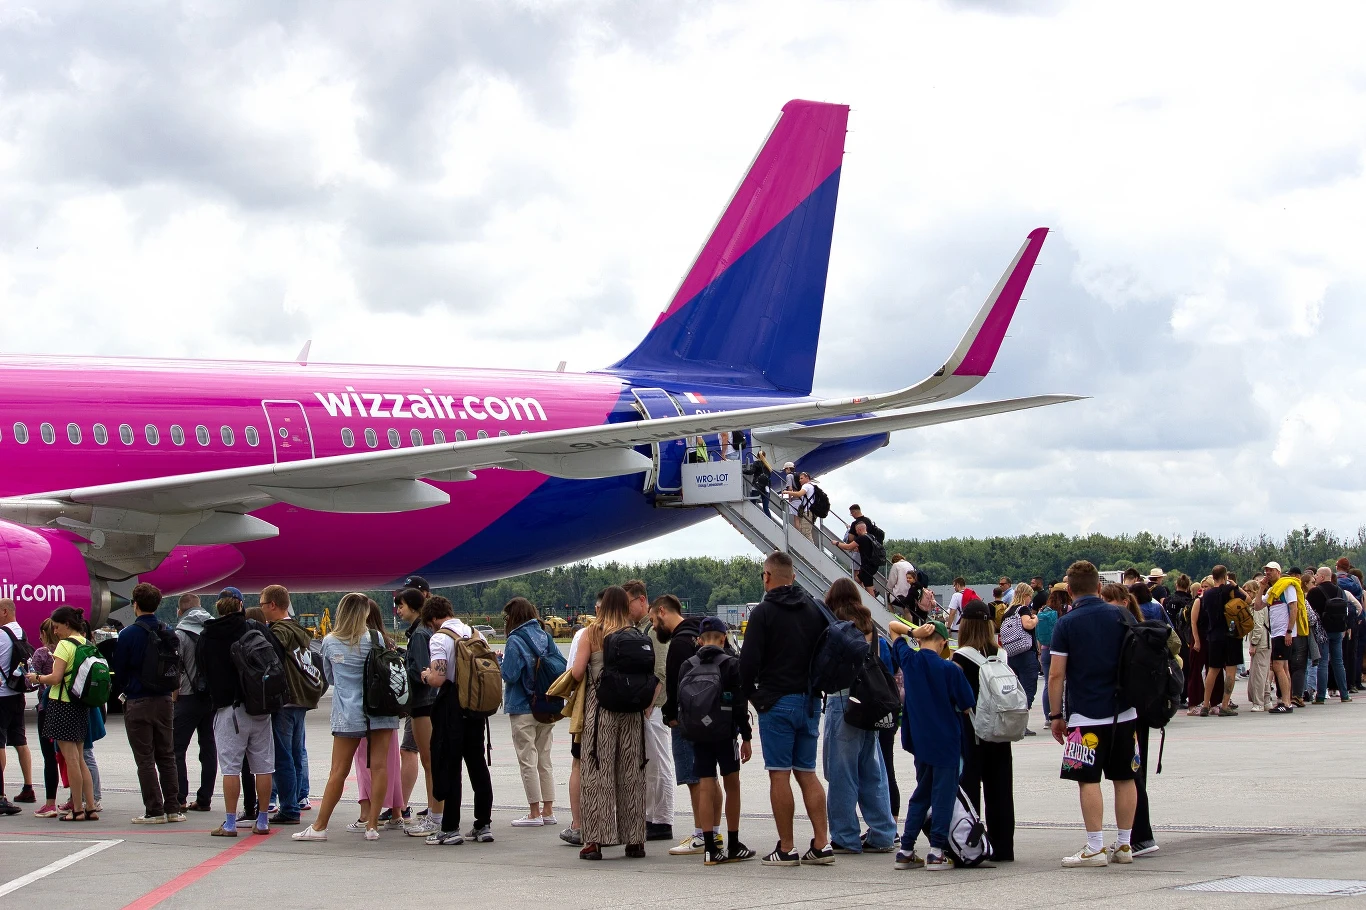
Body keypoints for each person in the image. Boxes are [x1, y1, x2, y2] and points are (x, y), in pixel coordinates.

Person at [738, 551, 833, 867]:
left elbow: (747, 664)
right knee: (807, 772)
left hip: (777, 701)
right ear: (793, 577)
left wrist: (754, 697)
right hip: (810, 701)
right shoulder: (814, 609)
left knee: (779, 774)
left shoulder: (764, 612)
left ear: (766, 576)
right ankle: (821, 844)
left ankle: (787, 847)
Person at [1046, 560, 1139, 868]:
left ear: (1070, 591)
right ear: (1099, 587)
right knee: (1125, 777)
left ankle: (1095, 846)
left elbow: (1056, 674)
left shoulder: (1066, 623)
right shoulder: (1122, 615)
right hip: (1124, 712)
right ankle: (1124, 844)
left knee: (1088, 780)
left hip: (1085, 715)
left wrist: (1055, 714)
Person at [292, 593, 400, 842]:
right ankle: (372, 825)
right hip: (380, 709)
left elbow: (330, 677)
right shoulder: (377, 638)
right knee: (380, 767)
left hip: (348, 712)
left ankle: (320, 826)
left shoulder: (330, 641)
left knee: (338, 771)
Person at [886, 617, 974, 872]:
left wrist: (913, 630)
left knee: (921, 795)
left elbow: (892, 627)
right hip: (946, 740)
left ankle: (906, 850)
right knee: (943, 796)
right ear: (943, 642)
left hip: (919, 741)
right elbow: (966, 705)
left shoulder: (909, 661)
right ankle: (936, 851)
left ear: (921, 639)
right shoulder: (950, 669)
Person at [572, 585, 650, 860]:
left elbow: (577, 672)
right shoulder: (635, 633)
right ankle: (635, 840)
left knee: (598, 772)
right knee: (631, 773)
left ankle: (596, 840)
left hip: (601, 710)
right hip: (632, 711)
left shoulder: (592, 632)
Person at [821, 578, 898, 855]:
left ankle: (845, 836)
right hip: (869, 703)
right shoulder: (870, 625)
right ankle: (883, 833)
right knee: (872, 771)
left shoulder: (835, 625)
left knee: (841, 773)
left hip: (843, 701)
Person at [677, 616, 755, 864]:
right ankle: (734, 843)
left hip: (699, 734)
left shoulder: (687, 665)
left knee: (706, 785)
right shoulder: (730, 664)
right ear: (723, 639)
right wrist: (746, 736)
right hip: (725, 732)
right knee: (732, 784)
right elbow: (740, 704)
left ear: (700, 640)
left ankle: (709, 847)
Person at [197, 588, 275, 837]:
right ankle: (262, 820)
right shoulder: (255, 629)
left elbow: (201, 670)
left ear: (218, 607)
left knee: (230, 768)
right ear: (241, 605)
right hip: (259, 705)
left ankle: (230, 822)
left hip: (228, 708)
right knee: (263, 766)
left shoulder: (208, 635)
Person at [421, 595, 494, 845]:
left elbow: (439, 678)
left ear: (433, 619)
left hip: (452, 705)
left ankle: (450, 828)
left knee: (449, 765)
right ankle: (483, 824)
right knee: (477, 764)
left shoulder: (440, 638)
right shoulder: (476, 634)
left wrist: (426, 675)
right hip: (475, 705)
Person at [110, 583, 183, 824]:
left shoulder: (128, 634)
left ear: (135, 605)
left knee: (145, 759)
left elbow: (119, 669)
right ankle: (173, 808)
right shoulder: (167, 630)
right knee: (167, 755)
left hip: (138, 699)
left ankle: (154, 810)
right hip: (165, 699)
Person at [953, 600, 1016, 861]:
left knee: (969, 789)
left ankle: (972, 846)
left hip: (972, 731)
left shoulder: (960, 657)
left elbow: (956, 698)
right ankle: (1003, 847)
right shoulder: (1001, 654)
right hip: (1000, 729)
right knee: (1001, 789)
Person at [657, 594, 716, 856]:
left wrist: (670, 715)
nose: (654, 626)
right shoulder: (700, 633)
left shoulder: (679, 643)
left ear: (662, 611)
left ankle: (701, 834)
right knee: (710, 776)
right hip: (711, 717)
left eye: (653, 619)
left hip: (687, 719)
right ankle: (713, 831)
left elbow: (675, 684)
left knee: (694, 778)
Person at [25, 606, 97, 821]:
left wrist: (37, 678)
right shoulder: (85, 642)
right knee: (80, 759)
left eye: (56, 627)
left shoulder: (65, 645)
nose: (54, 631)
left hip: (63, 704)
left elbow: (56, 678)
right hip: (81, 704)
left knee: (71, 759)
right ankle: (90, 806)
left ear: (66, 624)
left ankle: (77, 809)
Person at [260, 585, 319, 827]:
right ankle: (297, 798)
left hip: (284, 701)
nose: (262, 609)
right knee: (296, 753)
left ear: (272, 605)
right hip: (301, 699)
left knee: (282, 757)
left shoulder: (278, 632)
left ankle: (289, 808)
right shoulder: (297, 629)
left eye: (263, 604)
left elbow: (269, 659)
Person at [501, 596, 558, 828]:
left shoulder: (515, 640)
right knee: (545, 759)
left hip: (523, 706)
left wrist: (501, 662)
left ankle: (534, 812)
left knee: (527, 760)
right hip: (546, 705)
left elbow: (510, 675)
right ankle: (548, 809)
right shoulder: (545, 636)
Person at [627, 579, 674, 841]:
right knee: (649, 765)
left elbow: (662, 671)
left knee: (659, 763)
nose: (626, 609)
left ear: (642, 600)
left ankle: (663, 819)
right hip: (648, 707)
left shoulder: (654, 631)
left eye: (628, 603)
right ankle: (651, 816)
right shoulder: (639, 629)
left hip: (655, 708)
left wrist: (650, 703)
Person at [395, 588, 440, 838]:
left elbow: (423, 671)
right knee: (429, 761)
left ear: (413, 606)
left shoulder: (420, 634)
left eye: (401, 605)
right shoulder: (421, 632)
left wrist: (404, 668)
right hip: (424, 703)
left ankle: (434, 816)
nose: (398, 610)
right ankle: (435, 813)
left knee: (429, 762)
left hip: (424, 703)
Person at [172, 593, 217, 813]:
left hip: (187, 697)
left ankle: (180, 797)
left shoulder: (179, 634)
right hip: (212, 698)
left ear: (180, 611)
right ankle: (205, 798)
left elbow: (175, 668)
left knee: (177, 749)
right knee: (208, 748)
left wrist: (174, 696)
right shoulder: (214, 629)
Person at [0, 597, 36, 811]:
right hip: (17, 694)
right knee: (20, 741)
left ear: (5, 611)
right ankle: (28, 787)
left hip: (1, 695)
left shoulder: (1, 634)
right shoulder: (21, 633)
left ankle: (0, 794)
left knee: (0, 744)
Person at [1190, 566, 1240, 717]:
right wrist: (1235, 585)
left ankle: (1205, 705)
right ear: (1225, 577)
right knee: (1230, 670)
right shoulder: (1229, 590)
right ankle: (1224, 705)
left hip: (1213, 635)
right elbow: (1248, 600)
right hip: (1230, 635)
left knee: (1212, 670)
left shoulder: (1207, 595)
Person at [999, 583, 1040, 735]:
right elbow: (1027, 624)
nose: (1030, 600)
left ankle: (1014, 722)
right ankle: (1021, 724)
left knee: (1016, 690)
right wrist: (1035, 619)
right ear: (1025, 595)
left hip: (1012, 654)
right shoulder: (1023, 609)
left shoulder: (1007, 611)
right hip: (1026, 653)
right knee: (1028, 688)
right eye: (1030, 596)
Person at [1307, 567, 1352, 704]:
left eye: (1317, 575)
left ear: (1322, 576)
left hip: (1322, 631)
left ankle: (1321, 696)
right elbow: (1346, 610)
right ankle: (1344, 694)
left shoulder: (1314, 592)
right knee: (1338, 662)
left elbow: (1309, 611)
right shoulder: (1340, 591)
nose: (1315, 577)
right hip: (1338, 630)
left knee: (1323, 662)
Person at [1263, 562, 1301, 714]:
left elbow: (1293, 608)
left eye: (1271, 570)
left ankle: (1285, 702)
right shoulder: (1272, 590)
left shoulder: (1287, 587)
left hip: (1283, 633)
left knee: (1278, 666)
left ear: (1278, 572)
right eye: (1266, 571)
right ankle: (1286, 700)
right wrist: (1261, 587)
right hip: (1276, 633)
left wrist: (1289, 631)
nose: (1268, 573)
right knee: (1284, 667)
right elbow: (1258, 605)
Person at [1244, 580, 1273, 711]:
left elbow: (1258, 625)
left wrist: (1254, 643)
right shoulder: (1259, 603)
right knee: (1263, 673)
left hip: (1261, 643)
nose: (1246, 593)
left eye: (1249, 591)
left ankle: (1259, 702)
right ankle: (1266, 701)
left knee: (1258, 674)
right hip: (1265, 642)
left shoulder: (1257, 604)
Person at [780, 471, 818, 543]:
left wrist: (787, 492)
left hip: (808, 511)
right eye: (800, 478)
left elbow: (799, 494)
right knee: (805, 530)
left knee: (806, 533)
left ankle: (810, 548)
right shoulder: (812, 486)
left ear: (807, 478)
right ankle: (806, 546)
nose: (800, 480)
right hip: (811, 511)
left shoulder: (806, 486)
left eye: (801, 478)